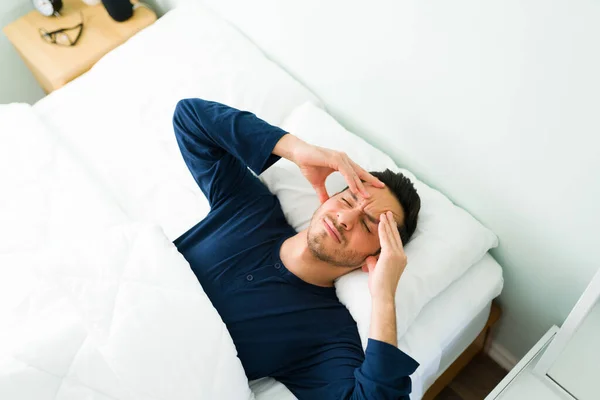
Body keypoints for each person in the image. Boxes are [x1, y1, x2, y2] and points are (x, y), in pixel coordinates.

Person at [172, 98, 422, 399]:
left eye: (369, 225)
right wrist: (296, 150)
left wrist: (384, 298)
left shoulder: (327, 335)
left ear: (377, 256)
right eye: (346, 200)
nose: (345, 218)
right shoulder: (249, 206)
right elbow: (190, 117)